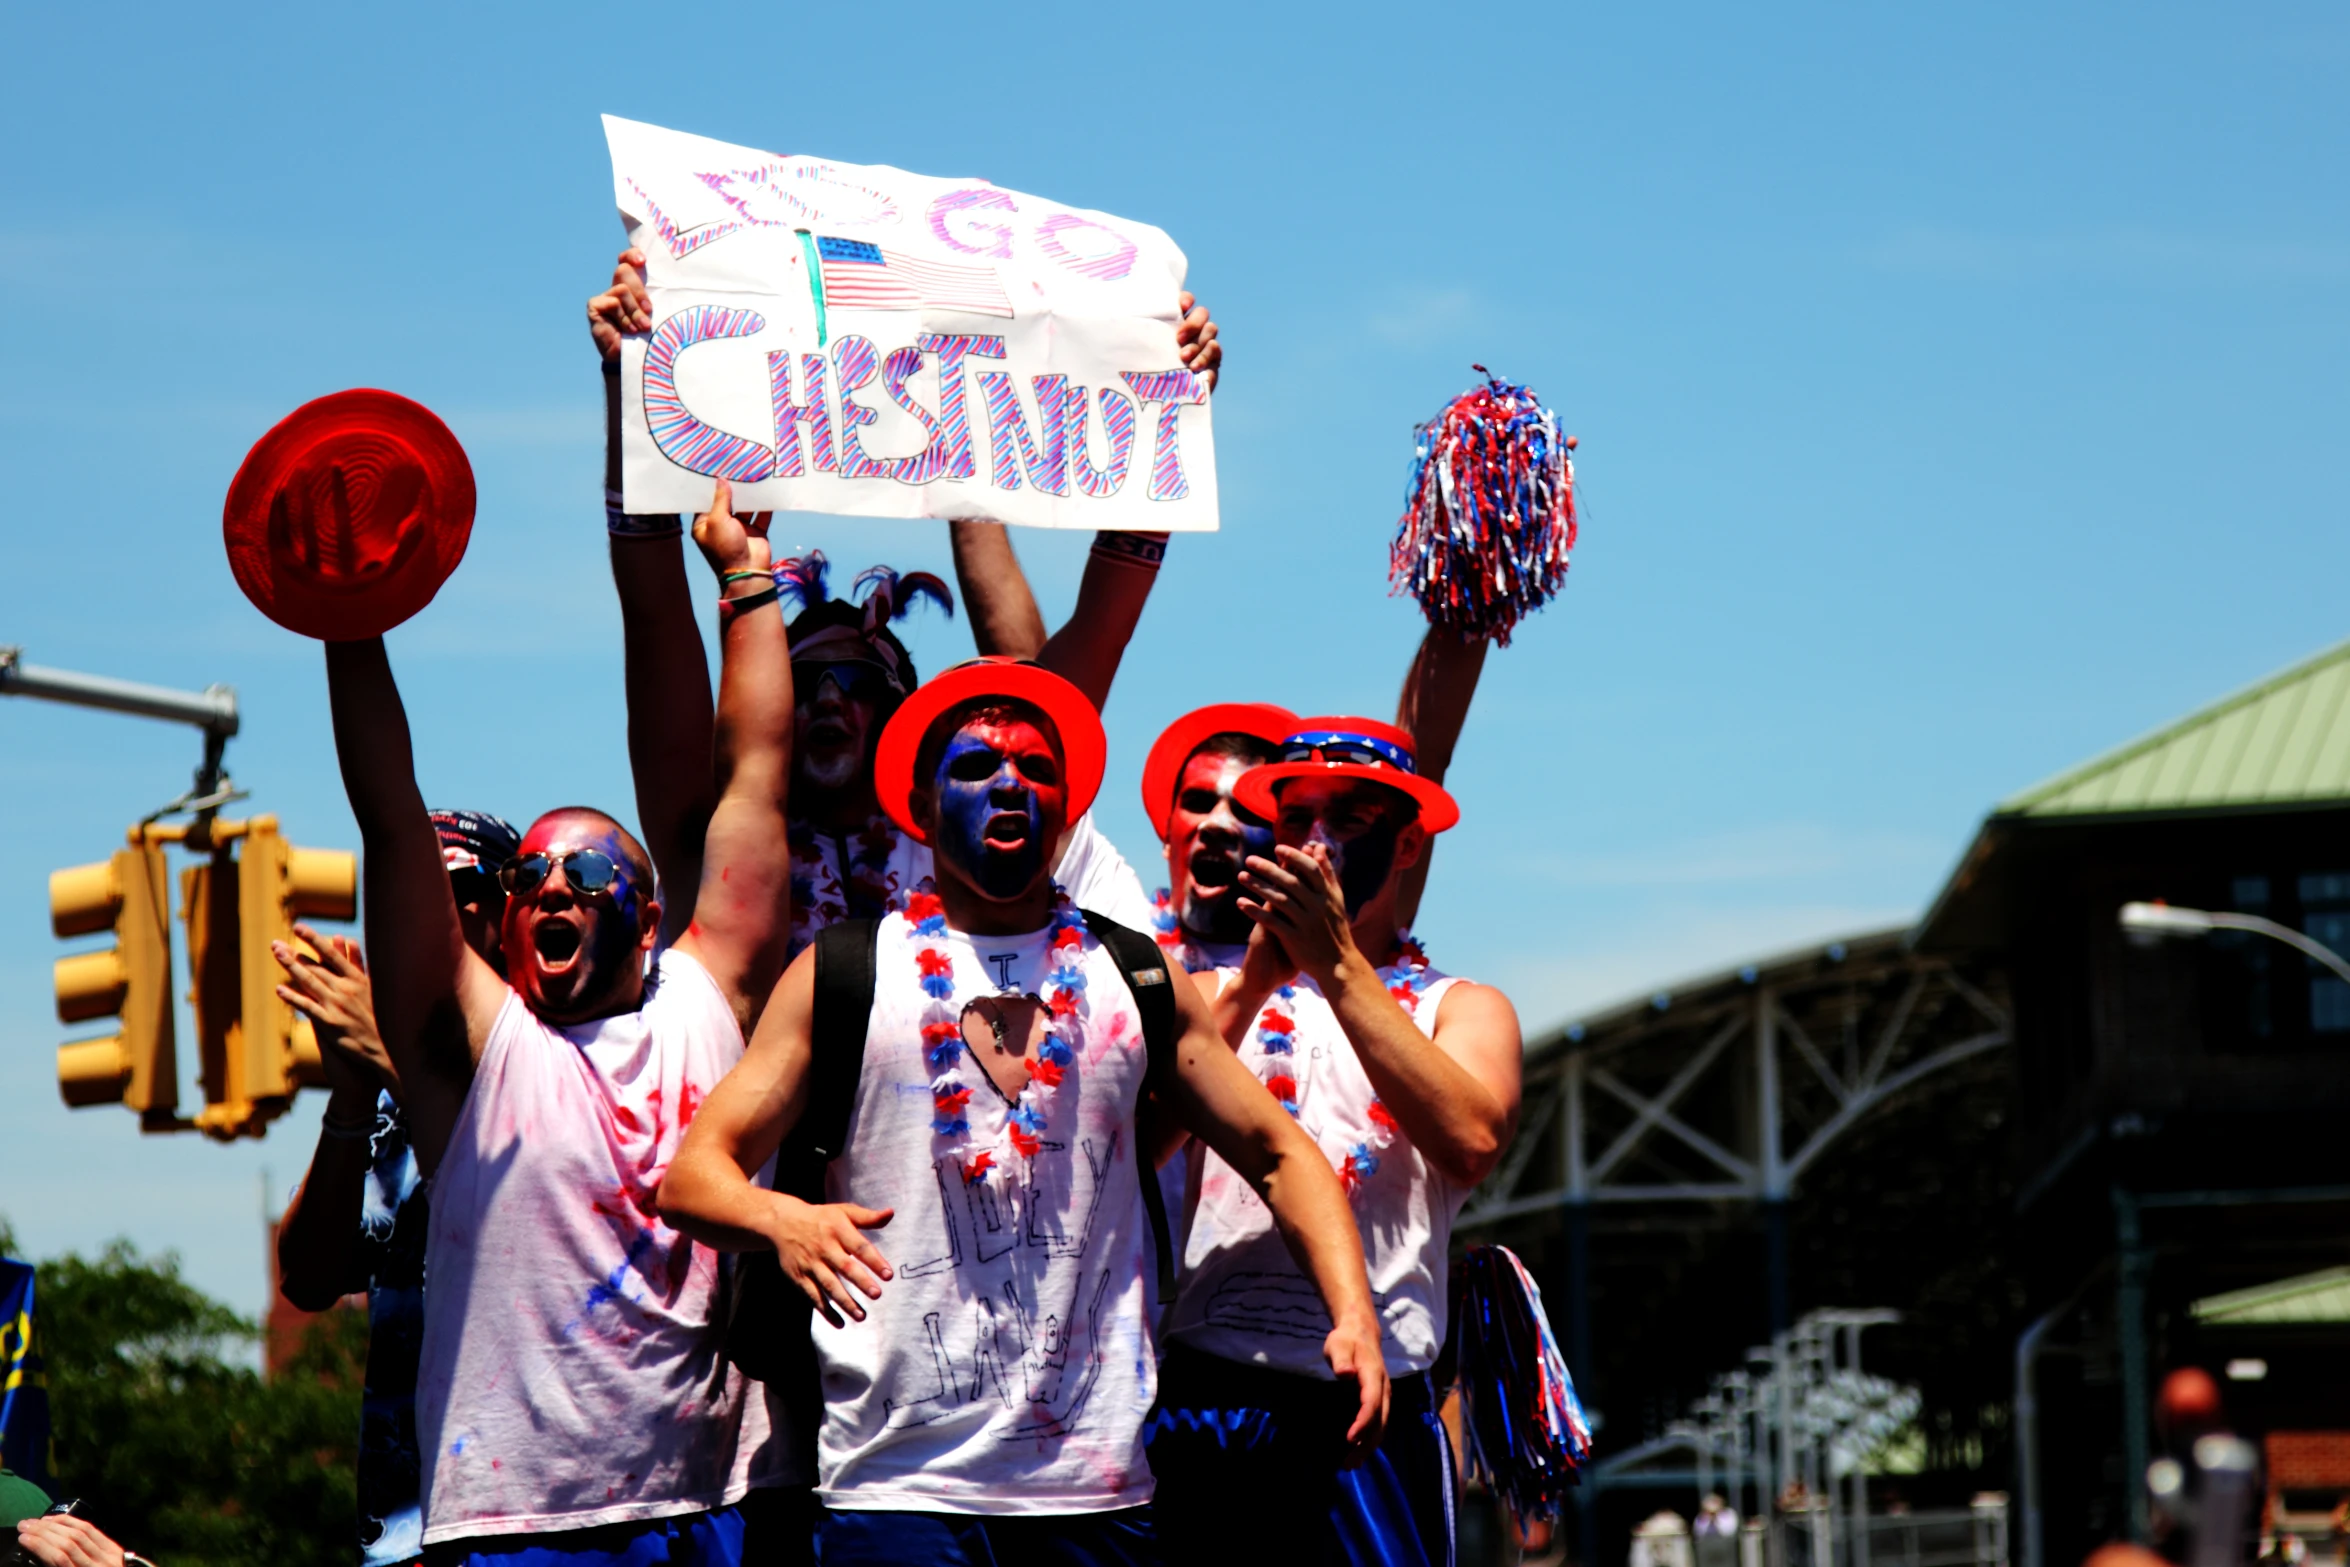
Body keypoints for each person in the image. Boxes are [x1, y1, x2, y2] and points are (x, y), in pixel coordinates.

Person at [657, 657, 1388, 1565]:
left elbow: (1277, 1152)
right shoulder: (847, 971)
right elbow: (693, 1176)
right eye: (976, 767)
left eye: (1038, 770)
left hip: (1097, 1498)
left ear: (1068, 809)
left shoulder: (1138, 975)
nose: (1010, 783)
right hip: (894, 1493)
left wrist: (1352, 1312)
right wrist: (783, 1219)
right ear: (922, 807)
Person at [318, 480, 796, 1565]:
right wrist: (350, 620)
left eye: (587, 869)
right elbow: (391, 817)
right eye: (531, 874)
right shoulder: (477, 1057)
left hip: (707, 1510)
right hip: (510, 1525)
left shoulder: (709, 993)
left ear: (653, 912)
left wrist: (747, 575)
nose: (551, 887)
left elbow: (755, 773)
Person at [584, 249, 1224, 960]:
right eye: (802, 682)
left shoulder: (976, 838)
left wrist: (1168, 409)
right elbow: (653, 624)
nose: (828, 698)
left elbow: (1092, 647)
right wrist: (629, 385)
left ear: (906, 731)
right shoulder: (707, 847)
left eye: (858, 683)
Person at [1148, 716, 1523, 1567]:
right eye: (1294, 820)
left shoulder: (1462, 1007)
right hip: (1205, 1400)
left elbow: (1470, 1138)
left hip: (1368, 1412)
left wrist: (1337, 966)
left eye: (1347, 820)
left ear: (1405, 845)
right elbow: (1135, 1151)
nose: (1313, 844)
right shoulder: (1207, 988)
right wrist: (1250, 988)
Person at [274, 809, 522, 1567]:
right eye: (407, 902)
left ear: (510, 912)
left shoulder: (549, 1058)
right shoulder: (393, 1090)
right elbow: (310, 1277)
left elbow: (531, 1195)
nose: (426, 922)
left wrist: (391, 1064)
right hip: (406, 1530)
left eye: (456, 894)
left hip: (530, 1519)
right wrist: (350, 1102)